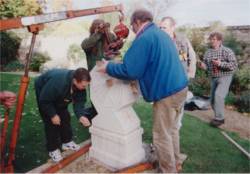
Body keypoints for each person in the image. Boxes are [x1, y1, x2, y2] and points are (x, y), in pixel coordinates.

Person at [98, 9, 188, 173]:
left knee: (161, 137)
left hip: (167, 93)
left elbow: (131, 70)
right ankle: (176, 162)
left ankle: (169, 170)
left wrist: (108, 67)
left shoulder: (145, 38)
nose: (132, 29)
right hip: (180, 88)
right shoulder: (160, 34)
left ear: (137, 22)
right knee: (172, 130)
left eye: (132, 25)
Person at [159, 16, 197, 167]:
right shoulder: (160, 42)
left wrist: (189, 76)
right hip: (166, 88)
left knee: (172, 128)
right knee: (172, 128)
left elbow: (192, 58)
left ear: (173, 27)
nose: (162, 30)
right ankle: (175, 160)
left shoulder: (182, 40)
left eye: (165, 28)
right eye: (160, 28)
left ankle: (172, 161)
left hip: (180, 87)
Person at [35, 68, 92, 162]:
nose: (85, 88)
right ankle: (52, 149)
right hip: (44, 89)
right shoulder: (58, 84)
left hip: (60, 90)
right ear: (74, 81)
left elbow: (80, 102)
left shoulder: (80, 85)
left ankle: (67, 141)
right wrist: (52, 114)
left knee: (64, 115)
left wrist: (81, 115)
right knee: (51, 121)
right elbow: (44, 100)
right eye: (83, 85)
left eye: (87, 85)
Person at [199, 32, 237, 127]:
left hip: (225, 76)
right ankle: (218, 116)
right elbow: (206, 66)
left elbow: (234, 65)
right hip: (214, 77)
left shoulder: (227, 51)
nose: (212, 41)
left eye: (214, 39)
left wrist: (220, 64)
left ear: (220, 41)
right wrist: (202, 65)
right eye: (211, 39)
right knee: (212, 100)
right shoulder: (208, 52)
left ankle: (219, 119)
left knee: (219, 95)